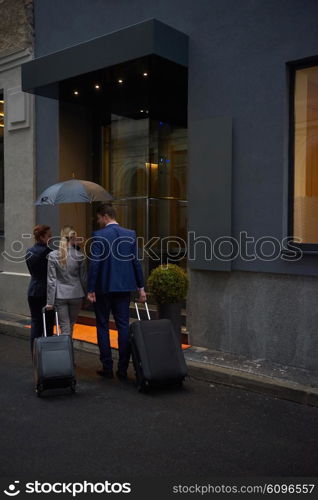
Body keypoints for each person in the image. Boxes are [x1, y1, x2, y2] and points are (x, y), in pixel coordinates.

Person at [87, 203, 146, 380]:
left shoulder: (99, 235)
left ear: (105, 216)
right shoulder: (130, 234)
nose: (98, 222)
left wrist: (90, 289)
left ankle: (107, 367)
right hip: (123, 288)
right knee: (123, 326)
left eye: (98, 218)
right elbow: (136, 262)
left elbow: (95, 264)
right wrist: (141, 287)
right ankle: (122, 369)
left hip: (103, 288)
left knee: (103, 325)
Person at [46, 226, 87, 337]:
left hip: (60, 295)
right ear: (74, 238)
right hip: (77, 294)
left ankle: (66, 352)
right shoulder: (80, 256)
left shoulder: (53, 256)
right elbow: (83, 279)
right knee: (71, 325)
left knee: (64, 327)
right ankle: (69, 350)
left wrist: (50, 302)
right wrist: (86, 295)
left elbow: (51, 280)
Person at [25, 224, 55, 354]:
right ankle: (47, 354)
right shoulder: (49, 253)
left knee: (35, 322)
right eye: (49, 235)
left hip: (33, 290)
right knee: (48, 324)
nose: (51, 238)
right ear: (42, 237)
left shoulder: (29, 251)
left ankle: (35, 353)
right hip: (45, 292)